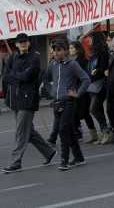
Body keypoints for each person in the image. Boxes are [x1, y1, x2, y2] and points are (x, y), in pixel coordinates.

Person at [2, 33, 57, 173]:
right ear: (16, 44)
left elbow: (27, 76)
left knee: (21, 132)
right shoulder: (12, 57)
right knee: (29, 132)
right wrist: (17, 77)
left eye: (25, 41)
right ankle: (48, 152)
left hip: (28, 100)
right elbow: (6, 76)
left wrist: (15, 76)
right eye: (20, 42)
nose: (23, 44)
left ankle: (16, 162)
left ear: (29, 43)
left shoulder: (35, 57)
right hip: (14, 99)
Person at [48, 40, 90, 171]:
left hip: (69, 102)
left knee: (63, 130)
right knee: (70, 131)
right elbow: (45, 78)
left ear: (65, 51)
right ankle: (79, 157)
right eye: (54, 50)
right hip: (57, 102)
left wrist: (78, 93)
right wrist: (51, 91)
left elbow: (86, 79)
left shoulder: (72, 64)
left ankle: (64, 160)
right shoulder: (52, 64)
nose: (56, 52)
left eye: (59, 50)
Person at [69, 41, 98, 143]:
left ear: (77, 49)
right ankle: (79, 133)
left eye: (72, 48)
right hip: (76, 89)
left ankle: (92, 134)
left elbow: (82, 76)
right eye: (70, 48)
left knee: (84, 113)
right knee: (76, 113)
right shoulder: (74, 60)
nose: (70, 50)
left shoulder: (81, 61)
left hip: (82, 90)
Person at [87, 32, 112, 144]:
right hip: (93, 84)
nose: (89, 41)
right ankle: (103, 132)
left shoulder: (103, 52)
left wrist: (97, 71)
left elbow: (104, 67)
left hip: (100, 83)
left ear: (96, 40)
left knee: (93, 108)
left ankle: (106, 132)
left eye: (91, 39)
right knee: (98, 109)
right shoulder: (93, 53)